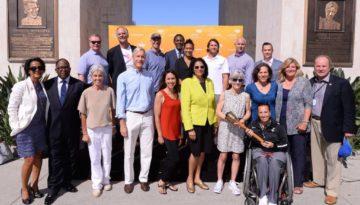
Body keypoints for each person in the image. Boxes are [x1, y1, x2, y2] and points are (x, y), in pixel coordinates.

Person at [304, 55, 356, 205]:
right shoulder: (311, 82)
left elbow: (349, 108)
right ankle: (319, 180)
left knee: (334, 159)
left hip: (334, 125)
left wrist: (348, 129)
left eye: (323, 66)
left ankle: (332, 191)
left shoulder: (341, 84)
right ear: (314, 67)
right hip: (314, 122)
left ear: (330, 67)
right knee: (317, 154)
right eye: (318, 66)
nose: (320, 68)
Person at [43, 58, 86, 205]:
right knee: (55, 159)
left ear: (69, 68)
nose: (63, 69)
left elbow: (85, 107)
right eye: (60, 67)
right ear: (56, 69)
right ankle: (53, 188)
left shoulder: (79, 85)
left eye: (66, 67)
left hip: (72, 129)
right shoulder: (47, 85)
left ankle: (67, 182)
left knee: (70, 157)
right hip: (53, 130)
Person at [8, 57, 49, 204]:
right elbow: (12, 108)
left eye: (39, 67)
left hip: (40, 128)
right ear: (28, 70)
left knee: (38, 156)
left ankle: (35, 185)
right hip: (25, 129)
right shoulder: (21, 86)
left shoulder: (42, 85)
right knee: (29, 159)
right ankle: (24, 188)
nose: (37, 70)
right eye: (33, 68)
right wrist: (15, 126)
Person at [116, 47, 155, 194]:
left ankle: (143, 179)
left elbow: (151, 97)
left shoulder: (149, 76)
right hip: (131, 115)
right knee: (129, 151)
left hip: (147, 116)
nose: (140, 59)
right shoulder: (123, 76)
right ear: (133, 58)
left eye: (142, 57)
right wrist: (122, 122)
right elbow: (120, 101)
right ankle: (128, 181)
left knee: (147, 150)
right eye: (137, 56)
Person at [275, 58, 312, 195]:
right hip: (281, 124)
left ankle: (298, 183)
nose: (290, 69)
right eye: (287, 67)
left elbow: (308, 103)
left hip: (298, 124)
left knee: (298, 154)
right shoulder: (278, 83)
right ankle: (283, 183)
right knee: (283, 154)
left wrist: (305, 121)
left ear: (296, 68)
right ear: (284, 69)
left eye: (293, 67)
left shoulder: (303, 82)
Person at [78, 64, 116, 197]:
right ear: (91, 77)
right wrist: (84, 133)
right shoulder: (86, 93)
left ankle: (106, 180)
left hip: (106, 127)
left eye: (100, 75)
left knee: (106, 156)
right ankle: (96, 184)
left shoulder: (109, 91)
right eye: (95, 75)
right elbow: (83, 114)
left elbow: (113, 110)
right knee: (94, 158)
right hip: (92, 129)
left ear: (104, 77)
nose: (98, 78)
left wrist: (113, 126)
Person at [181, 58, 217, 193]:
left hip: (208, 122)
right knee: (195, 152)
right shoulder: (187, 82)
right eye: (196, 67)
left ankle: (197, 177)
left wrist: (215, 123)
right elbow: (185, 107)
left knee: (203, 152)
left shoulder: (209, 82)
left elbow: (212, 104)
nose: (199, 69)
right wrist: (189, 128)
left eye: (202, 67)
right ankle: (189, 178)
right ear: (192, 69)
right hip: (195, 123)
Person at [214, 71, 251, 195]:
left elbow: (248, 112)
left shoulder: (246, 95)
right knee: (223, 155)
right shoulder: (225, 93)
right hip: (226, 125)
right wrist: (228, 118)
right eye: (235, 79)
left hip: (239, 126)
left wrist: (242, 120)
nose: (237, 82)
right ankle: (219, 180)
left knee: (236, 155)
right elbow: (218, 111)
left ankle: (233, 181)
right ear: (231, 81)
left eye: (240, 80)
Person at [245, 103, 288, 205]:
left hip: (277, 151)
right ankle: (263, 195)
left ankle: (273, 198)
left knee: (274, 163)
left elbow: (285, 144)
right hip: (259, 151)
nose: (263, 115)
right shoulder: (252, 126)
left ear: (270, 113)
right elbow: (248, 145)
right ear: (258, 114)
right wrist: (248, 136)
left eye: (265, 112)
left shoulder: (278, 126)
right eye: (261, 112)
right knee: (262, 161)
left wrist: (273, 145)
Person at [154, 70, 181, 194]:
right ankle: (162, 181)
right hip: (166, 131)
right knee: (174, 158)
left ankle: (167, 180)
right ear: (165, 80)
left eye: (173, 79)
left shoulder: (177, 93)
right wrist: (159, 134)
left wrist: (180, 132)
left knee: (171, 158)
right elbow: (157, 116)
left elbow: (179, 114)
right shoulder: (160, 94)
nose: (171, 81)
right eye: (168, 79)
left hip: (175, 130)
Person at [107, 26, 136, 93]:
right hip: (119, 85)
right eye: (119, 34)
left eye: (123, 33)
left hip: (134, 83)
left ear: (127, 35)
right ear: (117, 36)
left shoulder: (135, 49)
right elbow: (110, 71)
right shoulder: (111, 52)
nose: (121, 35)